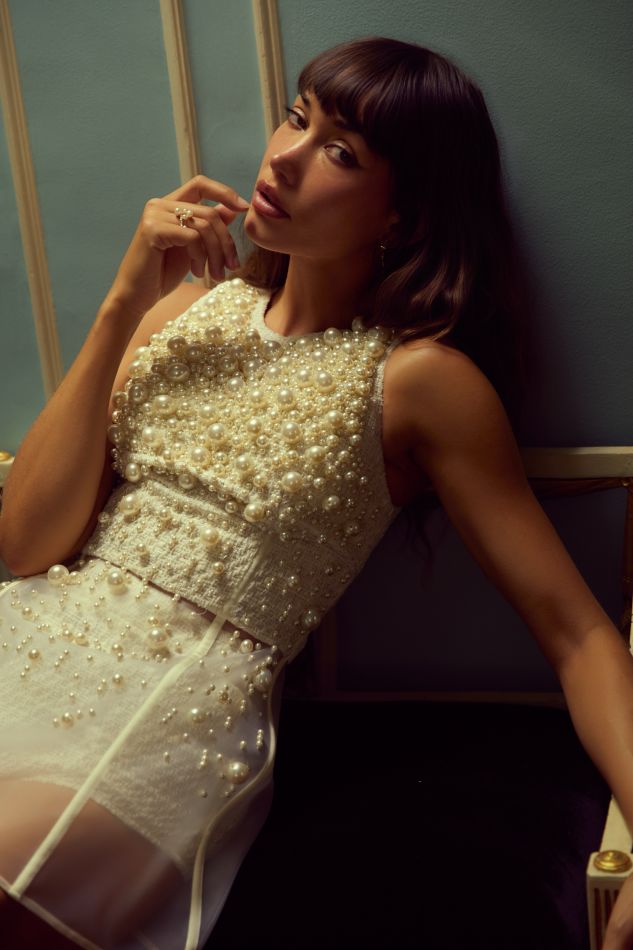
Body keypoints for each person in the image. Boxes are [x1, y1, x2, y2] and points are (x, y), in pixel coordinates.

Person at [0, 34, 631, 950]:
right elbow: (25, 545)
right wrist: (121, 303)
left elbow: (576, 633)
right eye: (295, 118)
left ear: (403, 214)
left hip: (162, 714)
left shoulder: (419, 381)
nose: (284, 158)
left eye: (339, 151)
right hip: (26, 642)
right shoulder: (183, 310)